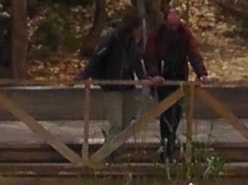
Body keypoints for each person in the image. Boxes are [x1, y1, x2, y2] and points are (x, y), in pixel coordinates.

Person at [143, 8, 209, 162]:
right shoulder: (156, 35)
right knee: (165, 114)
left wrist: (201, 73)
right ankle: (166, 149)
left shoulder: (184, 34)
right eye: (171, 25)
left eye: (175, 24)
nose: (173, 27)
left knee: (177, 114)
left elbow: (193, 54)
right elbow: (150, 57)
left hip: (179, 77)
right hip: (162, 79)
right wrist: (154, 74)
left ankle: (171, 145)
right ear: (165, 22)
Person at [80, 11, 146, 141]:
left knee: (127, 123)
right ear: (132, 27)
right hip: (112, 87)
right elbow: (98, 57)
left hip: (127, 86)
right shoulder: (111, 38)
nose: (141, 31)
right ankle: (109, 152)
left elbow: (135, 61)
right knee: (116, 124)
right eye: (139, 28)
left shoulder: (132, 42)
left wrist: (143, 77)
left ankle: (117, 151)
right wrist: (85, 74)